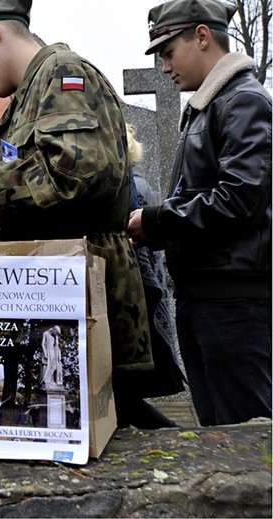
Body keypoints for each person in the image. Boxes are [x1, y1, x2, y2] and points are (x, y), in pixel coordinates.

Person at [0, 0, 163, 428]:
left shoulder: (64, 75)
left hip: (86, 302)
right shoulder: (26, 97)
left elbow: (79, 173)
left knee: (111, 431)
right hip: (55, 299)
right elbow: (37, 209)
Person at [127, 0, 271, 426]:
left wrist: (157, 221)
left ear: (202, 36)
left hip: (233, 305)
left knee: (248, 440)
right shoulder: (208, 107)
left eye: (169, 52)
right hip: (203, 299)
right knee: (218, 437)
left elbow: (238, 200)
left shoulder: (244, 101)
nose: (165, 67)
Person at [115, 123, 187, 429]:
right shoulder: (137, 182)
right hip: (145, 292)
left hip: (139, 295)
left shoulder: (133, 185)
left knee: (125, 397)